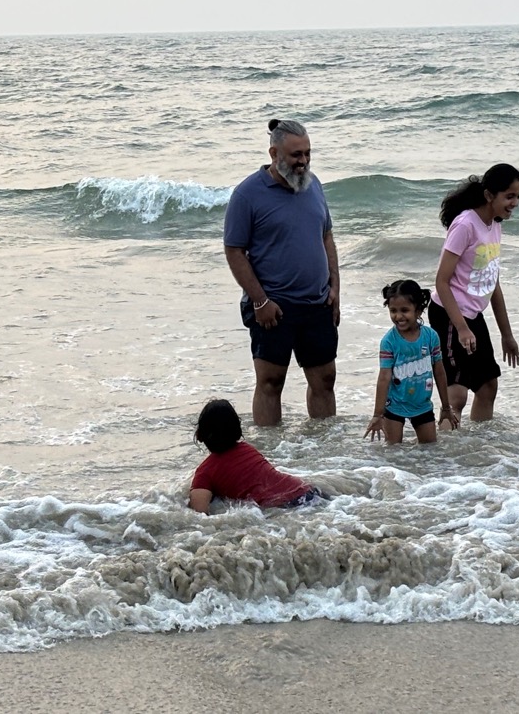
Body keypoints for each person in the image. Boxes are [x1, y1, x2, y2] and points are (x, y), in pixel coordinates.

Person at [223, 118, 340, 426]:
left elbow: (326, 235)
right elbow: (234, 251)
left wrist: (335, 288)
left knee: (325, 379)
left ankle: (325, 452)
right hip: (273, 306)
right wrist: (260, 301)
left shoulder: (313, 186)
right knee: (271, 382)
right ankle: (271, 454)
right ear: (274, 153)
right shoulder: (247, 194)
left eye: (307, 154)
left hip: (316, 303)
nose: (303, 162)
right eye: (295, 155)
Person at [429, 164, 519, 423]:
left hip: (472, 316)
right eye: (509, 196)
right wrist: (460, 328)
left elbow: (492, 283)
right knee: (457, 396)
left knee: (487, 387)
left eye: (518, 197)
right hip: (450, 315)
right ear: (489, 195)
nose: (514, 202)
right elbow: (441, 281)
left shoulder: (494, 225)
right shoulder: (465, 225)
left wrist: (507, 335)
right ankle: (444, 458)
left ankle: (477, 451)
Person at [188, 399, 321, 512]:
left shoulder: (205, 472)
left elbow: (199, 514)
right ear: (237, 430)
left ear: (200, 435)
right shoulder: (248, 449)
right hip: (307, 491)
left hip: (285, 505)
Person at [365, 279, 454, 444]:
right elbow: (384, 378)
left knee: (430, 452)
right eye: (393, 311)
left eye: (404, 310)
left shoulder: (431, 337)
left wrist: (446, 407)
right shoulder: (389, 341)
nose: (398, 316)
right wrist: (378, 415)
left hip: (422, 405)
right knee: (394, 454)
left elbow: (439, 372)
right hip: (394, 406)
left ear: (419, 310)